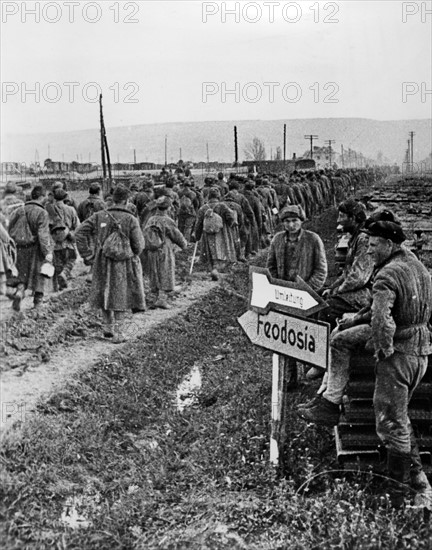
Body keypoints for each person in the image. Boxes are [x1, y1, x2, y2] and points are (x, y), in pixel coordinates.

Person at [298, 213, 432, 508]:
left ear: (386, 244)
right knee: (398, 416)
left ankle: (398, 496)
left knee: (389, 423)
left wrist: (383, 352)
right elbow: (377, 309)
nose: (368, 250)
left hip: (399, 355)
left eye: (372, 245)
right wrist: (355, 319)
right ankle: (416, 481)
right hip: (421, 351)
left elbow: (383, 321)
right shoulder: (416, 266)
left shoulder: (386, 275)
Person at [266, 205, 328, 388]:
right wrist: (277, 287)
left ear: (301, 221)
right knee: (286, 336)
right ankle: (290, 379)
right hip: (283, 295)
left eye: (294, 221)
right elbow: (270, 265)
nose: (291, 225)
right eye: (286, 221)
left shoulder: (313, 240)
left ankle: (311, 372)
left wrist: (307, 290)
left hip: (306, 296)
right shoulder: (277, 240)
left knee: (306, 335)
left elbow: (321, 270)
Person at [75, 185, 145, 342]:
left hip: (102, 260)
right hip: (124, 262)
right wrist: (131, 253)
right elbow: (139, 245)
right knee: (121, 293)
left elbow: (79, 233)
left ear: (113, 200)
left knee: (104, 290)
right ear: (127, 201)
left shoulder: (99, 216)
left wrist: (88, 255)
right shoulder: (130, 219)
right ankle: (119, 334)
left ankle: (107, 328)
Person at [8, 185, 53, 310]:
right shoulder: (42, 212)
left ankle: (19, 292)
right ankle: (38, 302)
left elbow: (10, 227)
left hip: (20, 248)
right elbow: (43, 235)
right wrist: (47, 252)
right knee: (40, 274)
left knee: (22, 274)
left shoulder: (19, 210)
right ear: (42, 197)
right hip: (36, 248)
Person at [143, 196, 187, 309]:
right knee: (165, 271)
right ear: (168, 208)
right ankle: (162, 299)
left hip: (152, 251)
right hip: (164, 249)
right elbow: (176, 235)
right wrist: (183, 244)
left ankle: (156, 295)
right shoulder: (167, 220)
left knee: (155, 272)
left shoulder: (151, 219)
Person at [194, 187, 237, 281]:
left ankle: (212, 267)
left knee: (210, 249)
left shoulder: (203, 208)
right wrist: (231, 224)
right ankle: (218, 269)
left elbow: (198, 224)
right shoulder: (223, 206)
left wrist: (197, 236)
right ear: (219, 196)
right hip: (222, 232)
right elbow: (231, 218)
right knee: (222, 249)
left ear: (209, 196)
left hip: (207, 233)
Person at [46, 188, 80, 290]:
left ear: (54, 198)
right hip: (68, 242)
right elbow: (77, 226)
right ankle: (65, 274)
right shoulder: (71, 209)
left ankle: (57, 287)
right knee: (71, 259)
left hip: (55, 242)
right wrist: (71, 234)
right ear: (65, 197)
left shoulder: (48, 210)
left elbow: (47, 227)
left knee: (58, 264)